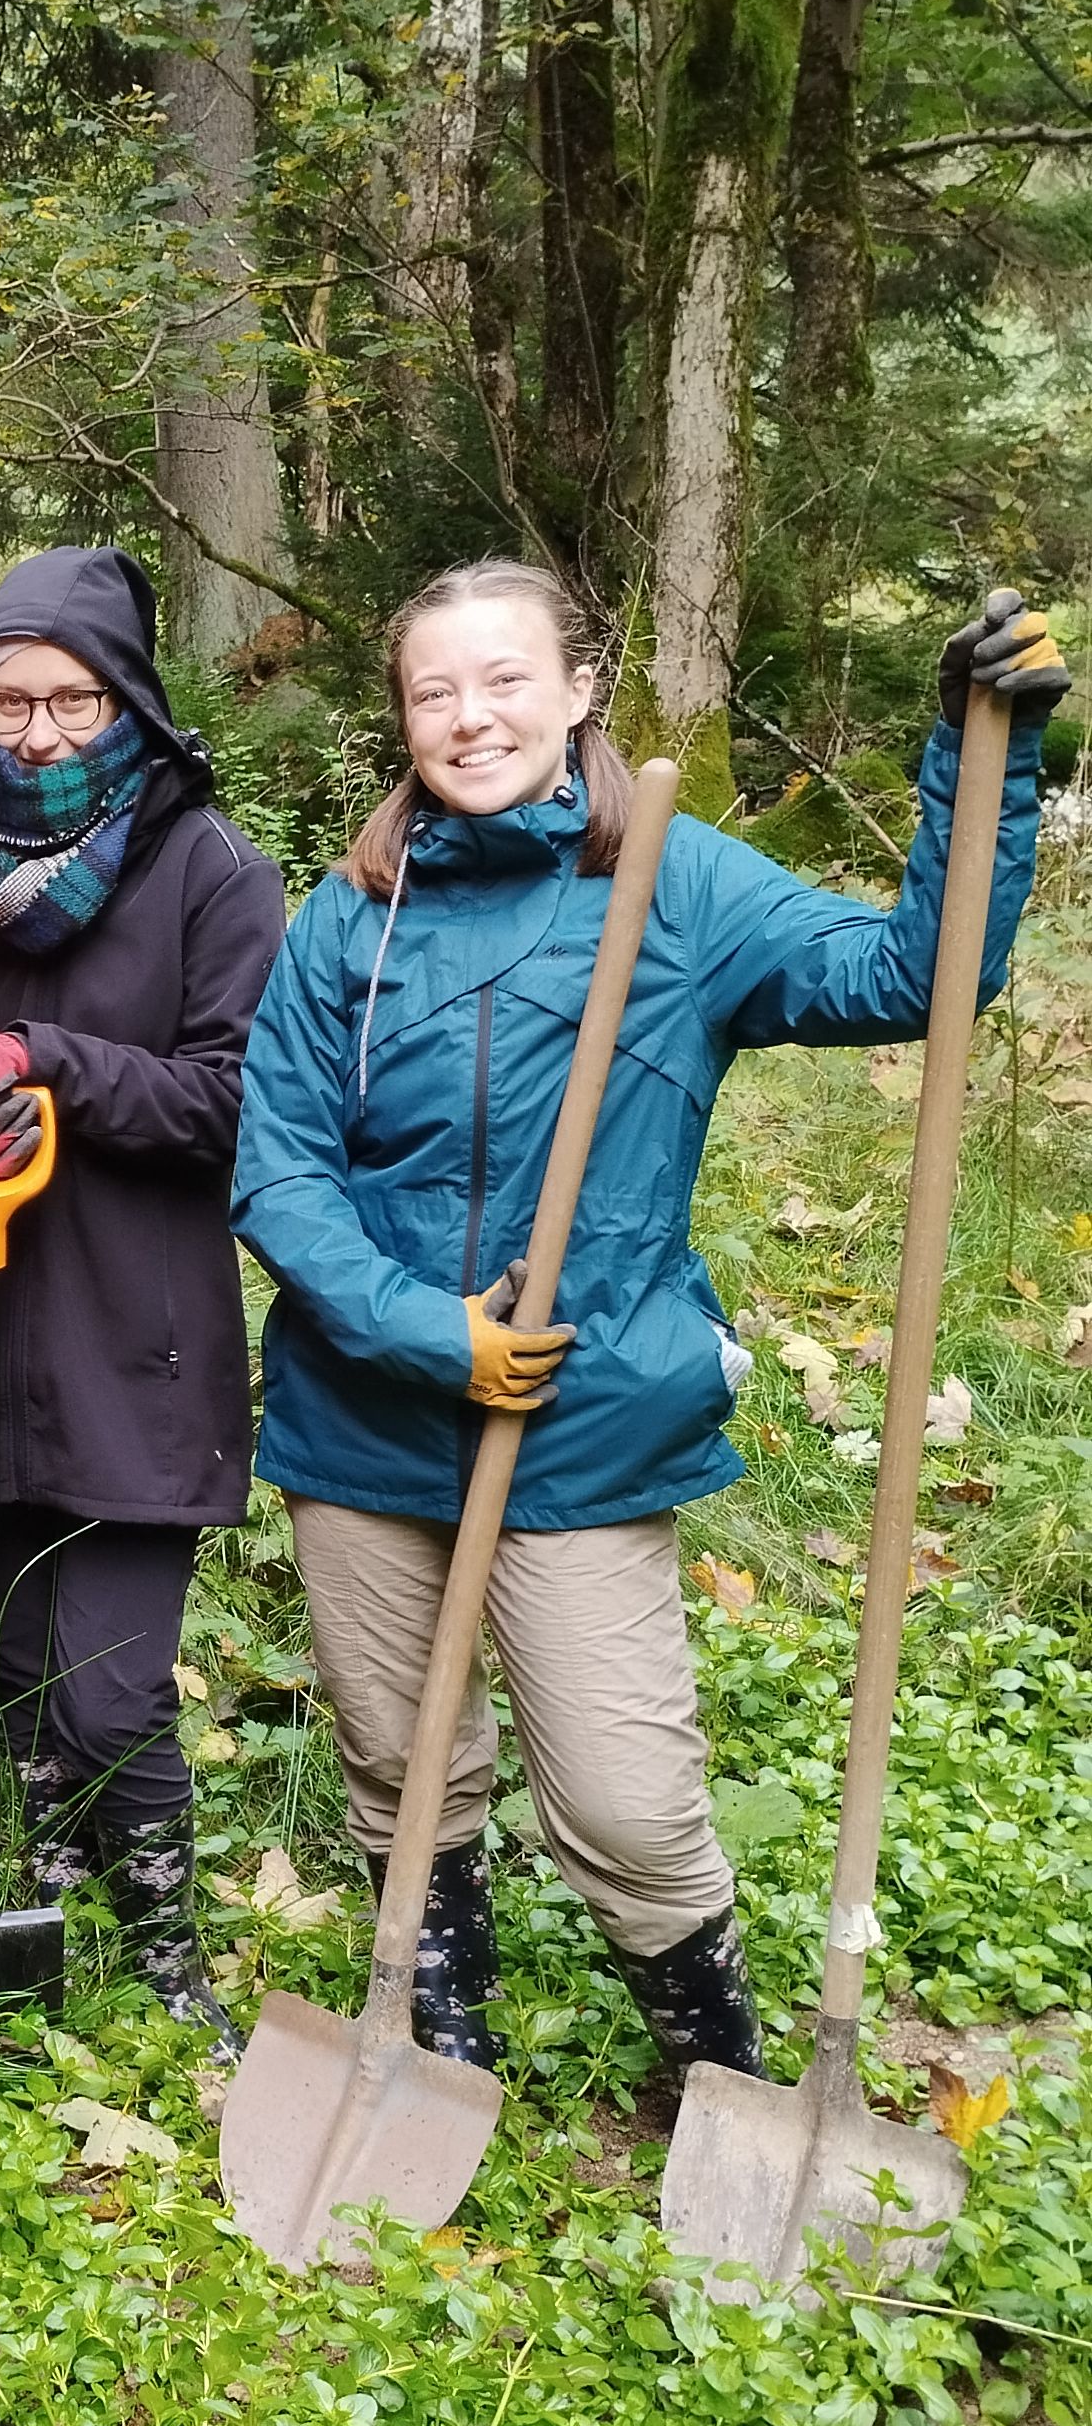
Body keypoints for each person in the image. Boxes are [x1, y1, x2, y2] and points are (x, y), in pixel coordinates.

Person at [233, 562, 1068, 2078]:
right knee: (398, 1755)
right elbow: (280, 1173)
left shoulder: (677, 883)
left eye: (503, 681)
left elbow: (914, 976)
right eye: (434, 691)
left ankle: (718, 2066)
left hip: (587, 1417)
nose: (470, 717)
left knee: (622, 1795)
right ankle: (433, 2022)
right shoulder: (347, 921)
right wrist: (430, 1330)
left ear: (578, 688)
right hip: (365, 1418)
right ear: (403, 717)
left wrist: (977, 766)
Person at [0, 547, 284, 2051]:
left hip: (136, 1337)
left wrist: (52, 1063)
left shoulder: (210, 868)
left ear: (130, 703)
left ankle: (169, 1954)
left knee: (111, 1691)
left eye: (70, 697)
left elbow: (240, 1100)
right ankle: (37, 1889)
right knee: (14, 1657)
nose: (36, 729)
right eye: (8, 697)